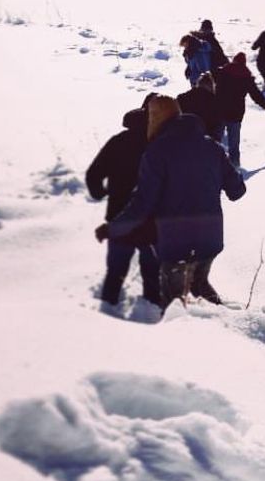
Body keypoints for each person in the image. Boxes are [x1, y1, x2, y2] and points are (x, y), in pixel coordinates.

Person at [97, 95, 246, 308]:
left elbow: (142, 204)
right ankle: (231, 323)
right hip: (210, 238)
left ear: (155, 118)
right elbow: (237, 191)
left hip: (177, 242)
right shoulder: (213, 148)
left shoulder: (157, 152)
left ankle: (188, 335)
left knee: (173, 305)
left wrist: (112, 229)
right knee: (199, 283)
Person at [86, 95, 161, 307]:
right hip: (151, 221)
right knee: (152, 273)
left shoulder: (118, 141)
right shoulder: (160, 144)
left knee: (116, 272)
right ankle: (151, 313)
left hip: (118, 218)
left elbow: (94, 173)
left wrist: (100, 193)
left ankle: (108, 309)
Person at [213, 52, 265, 168]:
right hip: (235, 115)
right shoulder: (246, 77)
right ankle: (235, 169)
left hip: (219, 112)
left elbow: (208, 83)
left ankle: (214, 166)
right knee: (233, 146)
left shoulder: (222, 72)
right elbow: (257, 96)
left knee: (216, 142)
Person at [177, 71, 222, 140]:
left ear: (198, 83)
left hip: (186, 136)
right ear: (211, 86)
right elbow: (217, 124)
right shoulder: (215, 101)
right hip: (205, 138)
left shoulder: (183, 97)